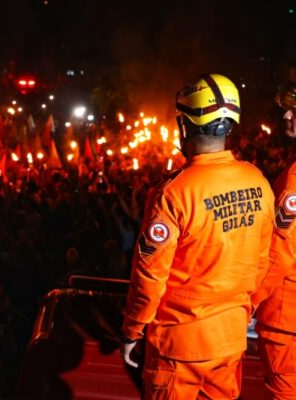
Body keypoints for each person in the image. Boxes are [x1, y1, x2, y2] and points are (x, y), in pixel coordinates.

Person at [120, 73, 275, 399]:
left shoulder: (173, 193)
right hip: (230, 340)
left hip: (178, 347)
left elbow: (150, 276)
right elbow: (263, 263)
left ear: (185, 124)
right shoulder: (259, 182)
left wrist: (133, 329)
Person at [251, 79, 296, 400]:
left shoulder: (294, 180)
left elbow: (278, 253)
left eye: (295, 110)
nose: (287, 116)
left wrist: (246, 304)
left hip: (287, 322)